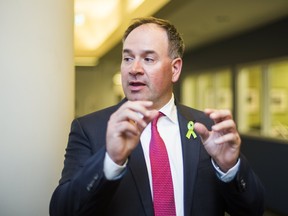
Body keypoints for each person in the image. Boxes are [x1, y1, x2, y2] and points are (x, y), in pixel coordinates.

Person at [49, 17, 264, 216]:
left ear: (175, 69)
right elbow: (62, 210)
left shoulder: (207, 129)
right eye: (127, 58)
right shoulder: (90, 129)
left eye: (148, 58)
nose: (134, 69)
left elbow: (252, 210)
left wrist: (229, 169)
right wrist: (110, 161)